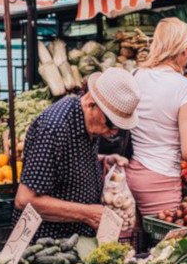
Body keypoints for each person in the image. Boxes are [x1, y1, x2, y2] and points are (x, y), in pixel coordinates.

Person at [14, 67, 141, 239]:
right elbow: (24, 200)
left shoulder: (89, 121)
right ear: (91, 104)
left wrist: (103, 159)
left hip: (75, 239)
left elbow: (64, 162)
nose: (114, 132)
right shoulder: (54, 128)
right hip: (47, 243)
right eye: (111, 123)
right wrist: (87, 213)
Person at [126, 18, 187, 216]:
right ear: (183, 49)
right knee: (165, 244)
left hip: (131, 172)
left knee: (133, 240)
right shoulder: (185, 87)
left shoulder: (135, 75)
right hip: (161, 179)